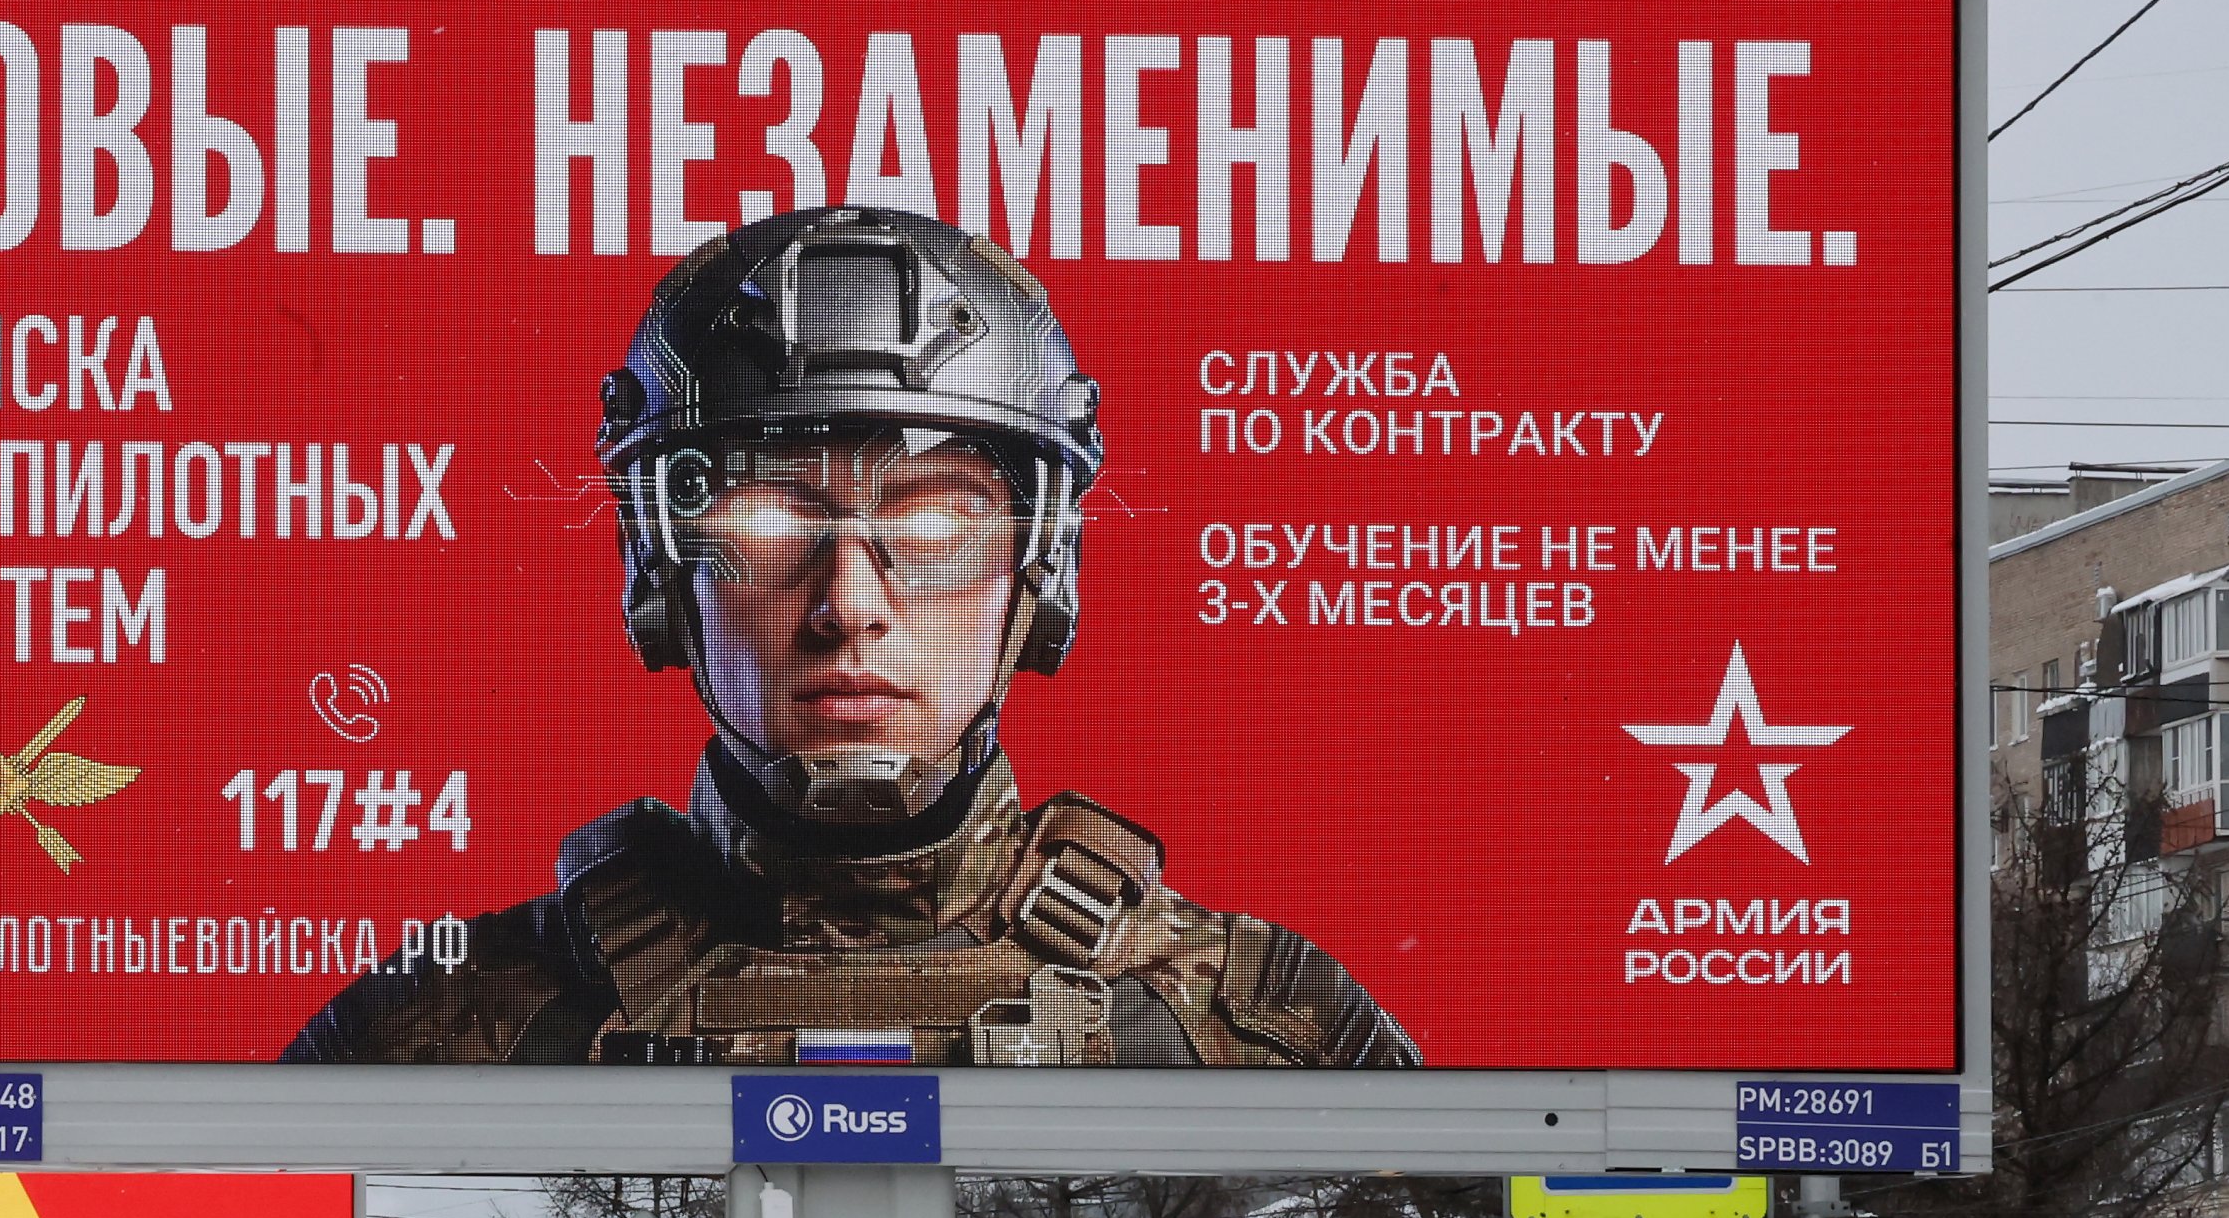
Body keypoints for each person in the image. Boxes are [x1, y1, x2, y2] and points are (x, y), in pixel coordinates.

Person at [286, 203, 1415, 1071]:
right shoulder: (437, 1031)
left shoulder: (1258, 1024)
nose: (850, 603)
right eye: (768, 516)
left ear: (1040, 564)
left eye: (934, 520)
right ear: (659, 563)